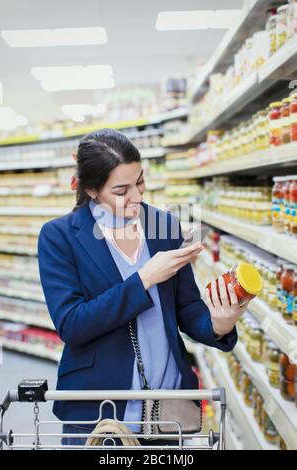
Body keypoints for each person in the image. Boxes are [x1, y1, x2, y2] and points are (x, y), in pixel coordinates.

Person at [38, 128, 241, 447]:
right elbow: (72, 324)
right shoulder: (59, 236)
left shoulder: (164, 226)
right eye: (121, 190)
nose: (137, 196)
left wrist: (219, 323)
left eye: (140, 181)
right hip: (98, 410)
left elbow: (185, 308)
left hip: (166, 409)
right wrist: (145, 278)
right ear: (92, 190)